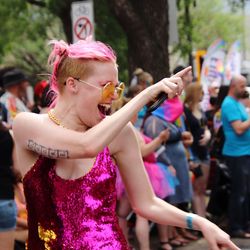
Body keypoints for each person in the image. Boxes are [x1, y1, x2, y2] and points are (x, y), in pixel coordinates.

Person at [13, 39, 238, 250]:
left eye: (117, 89)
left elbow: (146, 203)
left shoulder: (120, 133)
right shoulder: (27, 125)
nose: (113, 97)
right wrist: (146, 95)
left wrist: (201, 222)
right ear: (72, 84)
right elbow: (85, 147)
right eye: (107, 87)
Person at [221, 75, 250, 238]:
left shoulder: (237, 103)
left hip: (244, 152)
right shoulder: (228, 104)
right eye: (241, 86)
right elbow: (239, 128)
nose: (244, 89)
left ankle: (245, 225)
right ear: (233, 86)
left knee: (246, 191)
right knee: (239, 192)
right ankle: (236, 227)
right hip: (236, 154)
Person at [184, 83, 211, 218]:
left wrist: (208, 134)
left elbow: (205, 127)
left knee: (203, 188)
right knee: (196, 189)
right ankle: (201, 221)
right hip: (194, 153)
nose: (203, 95)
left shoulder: (200, 109)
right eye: (201, 92)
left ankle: (204, 218)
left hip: (204, 152)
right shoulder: (186, 111)